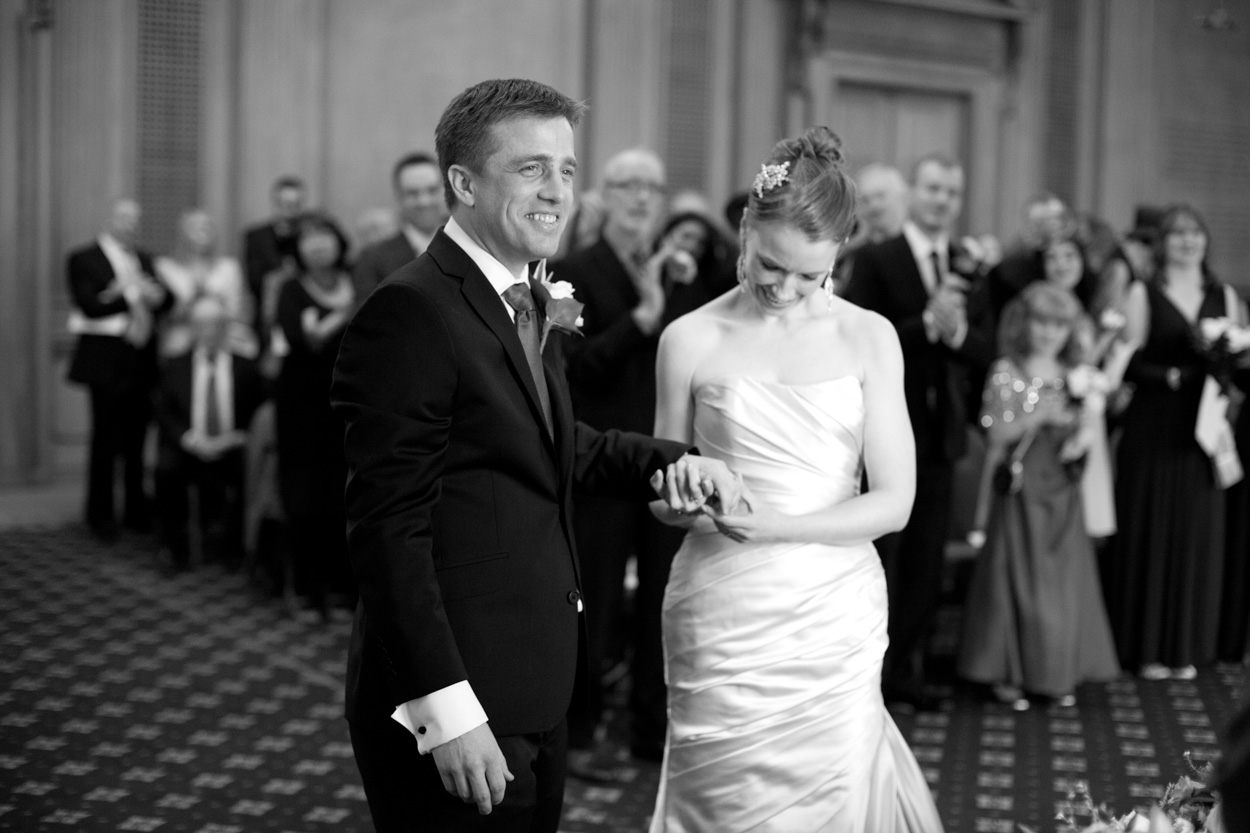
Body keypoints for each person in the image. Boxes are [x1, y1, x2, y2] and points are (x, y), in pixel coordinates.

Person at [329, 78, 739, 832]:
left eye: (568, 169)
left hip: (536, 683)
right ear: (463, 181)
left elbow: (550, 444)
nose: (558, 191)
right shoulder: (412, 312)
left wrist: (671, 460)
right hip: (461, 699)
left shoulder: (523, 293)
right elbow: (386, 534)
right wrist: (447, 711)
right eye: (531, 168)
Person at [649, 126, 942, 831]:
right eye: (770, 265)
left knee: (832, 793)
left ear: (838, 255)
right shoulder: (688, 337)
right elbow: (659, 486)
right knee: (720, 800)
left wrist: (774, 526)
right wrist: (679, 497)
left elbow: (895, 500)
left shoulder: (869, 336)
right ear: (746, 229)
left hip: (833, 610)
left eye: (810, 275)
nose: (785, 289)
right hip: (720, 608)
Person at [556, 149, 725, 770]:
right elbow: (572, 365)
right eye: (630, 185)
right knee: (592, 605)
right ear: (606, 192)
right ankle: (579, 734)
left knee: (662, 602)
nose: (643, 197)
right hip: (600, 460)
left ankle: (651, 732)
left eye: (653, 187)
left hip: (666, 462)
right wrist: (641, 319)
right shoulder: (569, 271)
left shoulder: (680, 272)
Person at [843, 153, 995, 710]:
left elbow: (987, 348)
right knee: (882, 560)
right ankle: (866, 678)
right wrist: (926, 327)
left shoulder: (966, 264)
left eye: (952, 192)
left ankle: (906, 676)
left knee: (926, 565)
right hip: (884, 431)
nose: (942, 200)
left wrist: (955, 338)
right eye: (933, 189)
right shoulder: (879, 258)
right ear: (914, 191)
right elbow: (859, 340)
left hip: (941, 434)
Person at [957, 283, 1120, 710]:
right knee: (1014, 580)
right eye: (1042, 322)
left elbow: (1088, 426)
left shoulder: (1078, 373)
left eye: (1060, 324)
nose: (1050, 333)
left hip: (1062, 486)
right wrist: (1038, 413)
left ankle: (1055, 672)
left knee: (1062, 583)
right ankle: (1007, 672)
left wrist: (1082, 434)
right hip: (1019, 485)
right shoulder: (1005, 370)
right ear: (1023, 323)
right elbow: (994, 431)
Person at [1103, 204, 1234, 680]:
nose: (1187, 241)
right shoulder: (1144, 292)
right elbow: (1128, 364)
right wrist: (1175, 375)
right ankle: (1148, 647)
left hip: (1204, 431)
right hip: (1155, 427)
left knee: (1196, 534)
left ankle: (1187, 647)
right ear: (1162, 243)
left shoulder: (1225, 295)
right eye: (1177, 234)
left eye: (1195, 233)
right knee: (1152, 531)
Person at [66, 198, 172, 542]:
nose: (130, 225)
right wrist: (132, 294)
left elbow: (167, 300)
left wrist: (154, 296)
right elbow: (90, 305)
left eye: (135, 220)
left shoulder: (144, 259)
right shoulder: (83, 258)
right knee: (105, 441)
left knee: (137, 442)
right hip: (107, 365)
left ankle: (135, 511)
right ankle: (100, 515)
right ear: (109, 219)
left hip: (142, 362)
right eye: (124, 218)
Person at [274, 212, 355, 620]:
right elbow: (298, 342)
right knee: (305, 499)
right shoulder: (289, 288)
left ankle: (341, 589)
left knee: (343, 497)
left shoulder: (357, 281)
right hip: (302, 409)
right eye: (308, 239)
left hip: (347, 405)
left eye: (324, 235)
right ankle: (305, 589)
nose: (318, 244)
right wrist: (338, 321)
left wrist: (325, 328)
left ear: (339, 240)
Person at [154, 296, 267, 571]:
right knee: (166, 470)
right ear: (192, 328)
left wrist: (242, 436)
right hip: (190, 445)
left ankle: (236, 549)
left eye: (216, 324)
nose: (210, 330)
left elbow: (260, 410)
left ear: (226, 327)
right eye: (202, 324)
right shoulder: (175, 364)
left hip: (233, 445)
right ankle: (173, 547)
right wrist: (190, 440)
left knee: (252, 470)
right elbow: (163, 412)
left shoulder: (246, 367)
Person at [155, 209, 255, 359]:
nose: (203, 232)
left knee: (246, 344)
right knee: (176, 345)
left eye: (208, 226)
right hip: (183, 330)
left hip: (222, 330)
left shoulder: (229, 267)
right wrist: (192, 303)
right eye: (195, 227)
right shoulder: (166, 267)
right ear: (183, 232)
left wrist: (212, 305)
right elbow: (165, 313)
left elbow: (235, 311)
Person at [351, 151, 447, 302]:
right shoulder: (373, 259)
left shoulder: (471, 244)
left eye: (432, 190)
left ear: (446, 190)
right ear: (398, 196)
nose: (424, 201)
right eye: (412, 193)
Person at [243, 175, 306, 312]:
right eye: (286, 203)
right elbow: (253, 282)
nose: (291, 209)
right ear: (275, 203)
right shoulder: (256, 237)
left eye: (296, 204)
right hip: (268, 308)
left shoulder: (309, 234)